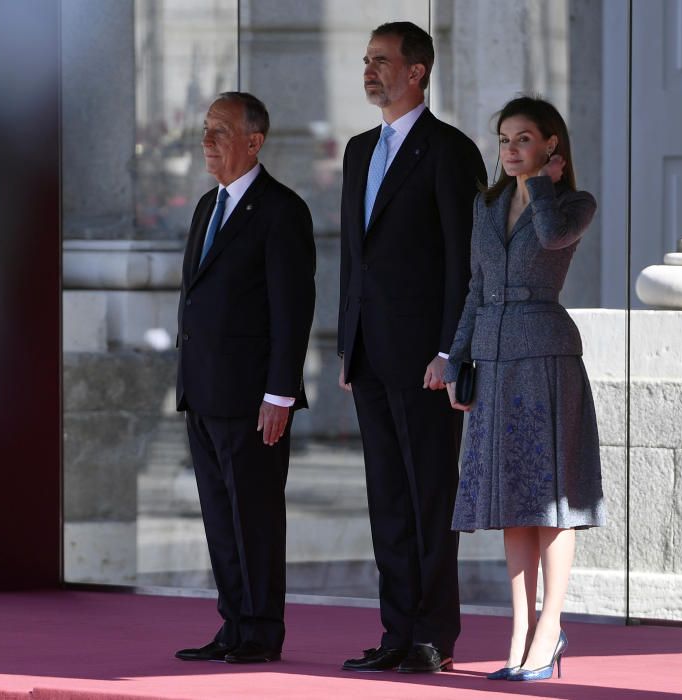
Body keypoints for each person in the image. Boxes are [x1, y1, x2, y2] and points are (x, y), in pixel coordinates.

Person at [337, 22, 486, 674]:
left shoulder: (450, 151)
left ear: (417, 71)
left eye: (383, 61)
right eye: (367, 61)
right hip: (369, 354)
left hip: (426, 360)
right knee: (388, 500)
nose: (370, 71)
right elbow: (353, 260)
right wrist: (346, 346)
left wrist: (452, 352)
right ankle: (396, 630)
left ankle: (433, 635)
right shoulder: (355, 151)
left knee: (429, 497)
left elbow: (467, 262)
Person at [444, 95, 605, 682]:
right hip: (493, 356)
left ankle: (550, 627)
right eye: (505, 141)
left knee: (551, 497)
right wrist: (456, 357)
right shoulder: (485, 208)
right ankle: (518, 631)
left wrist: (539, 186)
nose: (511, 151)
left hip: (546, 356)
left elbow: (555, 238)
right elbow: (475, 290)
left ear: (551, 146)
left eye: (524, 140)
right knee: (513, 497)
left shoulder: (572, 204)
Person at [173, 92, 315, 665]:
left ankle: (261, 631)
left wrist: (279, 392)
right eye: (206, 130)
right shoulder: (207, 206)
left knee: (254, 517)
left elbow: (291, 309)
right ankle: (233, 625)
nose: (207, 142)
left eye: (221, 132)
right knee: (219, 518)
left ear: (254, 141)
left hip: (253, 398)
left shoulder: (282, 209)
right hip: (203, 391)